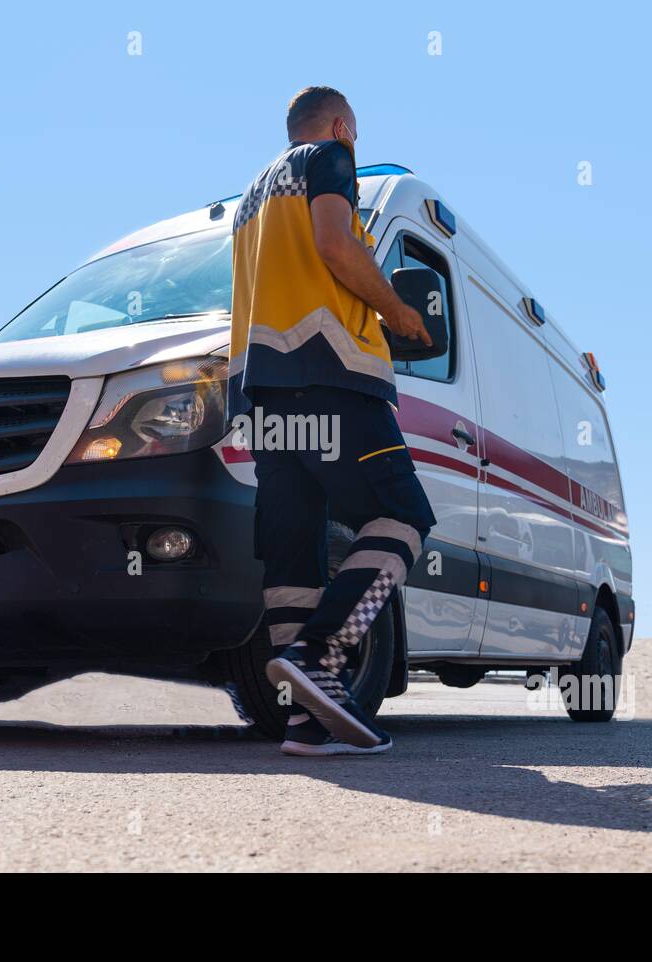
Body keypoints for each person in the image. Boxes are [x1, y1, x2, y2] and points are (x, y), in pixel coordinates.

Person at [228, 86, 437, 756]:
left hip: (262, 394)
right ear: (342, 126)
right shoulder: (330, 159)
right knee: (402, 517)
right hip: (330, 372)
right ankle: (324, 653)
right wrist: (401, 316)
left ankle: (305, 721)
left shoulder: (249, 200)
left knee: (295, 554)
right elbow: (336, 245)